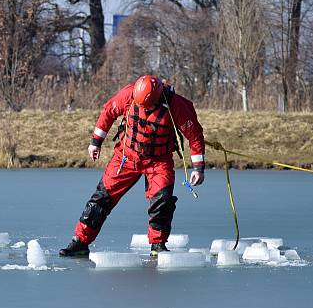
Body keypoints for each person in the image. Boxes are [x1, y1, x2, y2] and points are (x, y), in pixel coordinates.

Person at [59, 75, 205, 257]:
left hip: (158, 162)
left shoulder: (176, 105)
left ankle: (158, 246)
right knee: (101, 199)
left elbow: (195, 135)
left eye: (147, 106)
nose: (143, 108)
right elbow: (108, 112)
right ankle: (80, 241)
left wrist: (198, 167)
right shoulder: (128, 94)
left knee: (162, 202)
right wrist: (95, 142)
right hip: (126, 158)